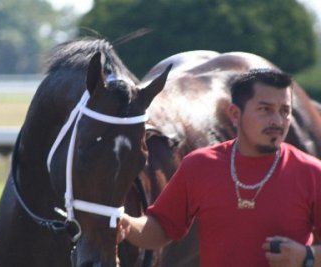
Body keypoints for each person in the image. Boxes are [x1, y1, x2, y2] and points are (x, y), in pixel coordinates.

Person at [119, 68, 321, 267]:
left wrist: (307, 257)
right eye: (265, 109)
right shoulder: (199, 165)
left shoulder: (313, 173)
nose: (277, 121)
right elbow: (162, 228)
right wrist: (128, 224)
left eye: (285, 111)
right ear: (234, 114)